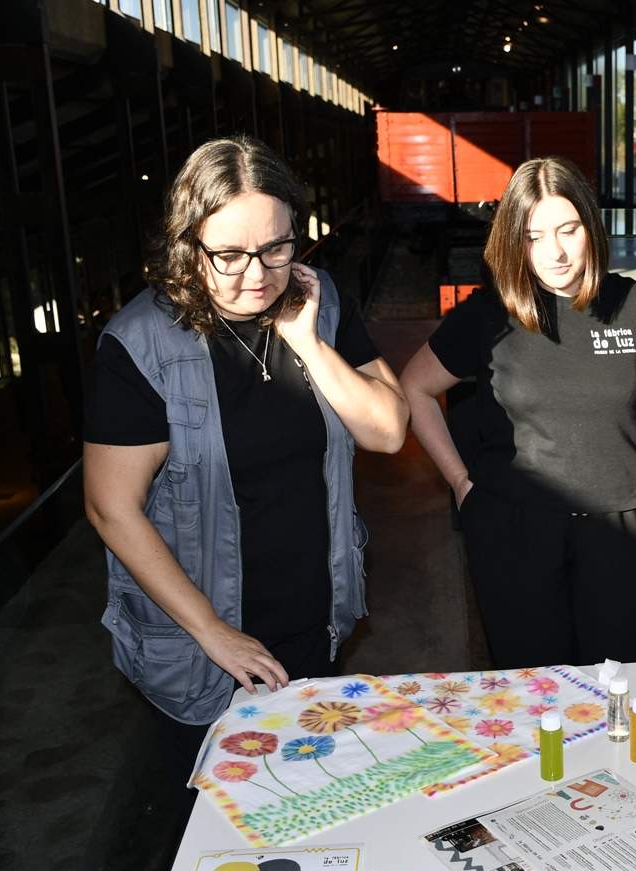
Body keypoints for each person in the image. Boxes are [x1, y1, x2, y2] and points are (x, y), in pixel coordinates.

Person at [84, 136, 409, 727]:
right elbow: (111, 508)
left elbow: (388, 432)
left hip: (315, 621)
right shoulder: (140, 344)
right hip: (203, 648)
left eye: (276, 247)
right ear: (189, 246)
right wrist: (213, 631)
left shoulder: (321, 302)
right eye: (229, 254)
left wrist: (307, 342)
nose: (257, 275)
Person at [401, 156, 636, 670]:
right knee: (532, 692)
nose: (555, 252)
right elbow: (415, 388)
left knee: (621, 691)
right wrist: (460, 483)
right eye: (534, 236)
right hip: (514, 532)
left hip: (623, 532)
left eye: (568, 230)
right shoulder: (490, 314)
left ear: (591, 226)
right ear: (513, 241)